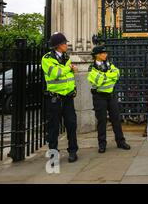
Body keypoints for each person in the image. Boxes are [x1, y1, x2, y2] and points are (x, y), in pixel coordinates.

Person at [41, 32, 78, 163]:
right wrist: (69, 68)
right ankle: (53, 155)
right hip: (54, 98)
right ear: (58, 45)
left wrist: (71, 71)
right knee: (53, 127)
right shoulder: (47, 59)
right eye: (64, 43)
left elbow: (67, 76)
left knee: (71, 125)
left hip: (68, 97)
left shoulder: (66, 57)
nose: (66, 45)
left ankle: (73, 151)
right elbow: (55, 74)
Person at [87, 46, 131, 153]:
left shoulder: (109, 64)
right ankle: (102, 144)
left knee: (116, 119)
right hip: (99, 97)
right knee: (102, 121)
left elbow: (117, 74)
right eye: (103, 53)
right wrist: (109, 77)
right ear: (97, 55)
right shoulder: (91, 68)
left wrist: (105, 76)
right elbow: (99, 81)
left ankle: (120, 141)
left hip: (111, 95)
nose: (106, 54)